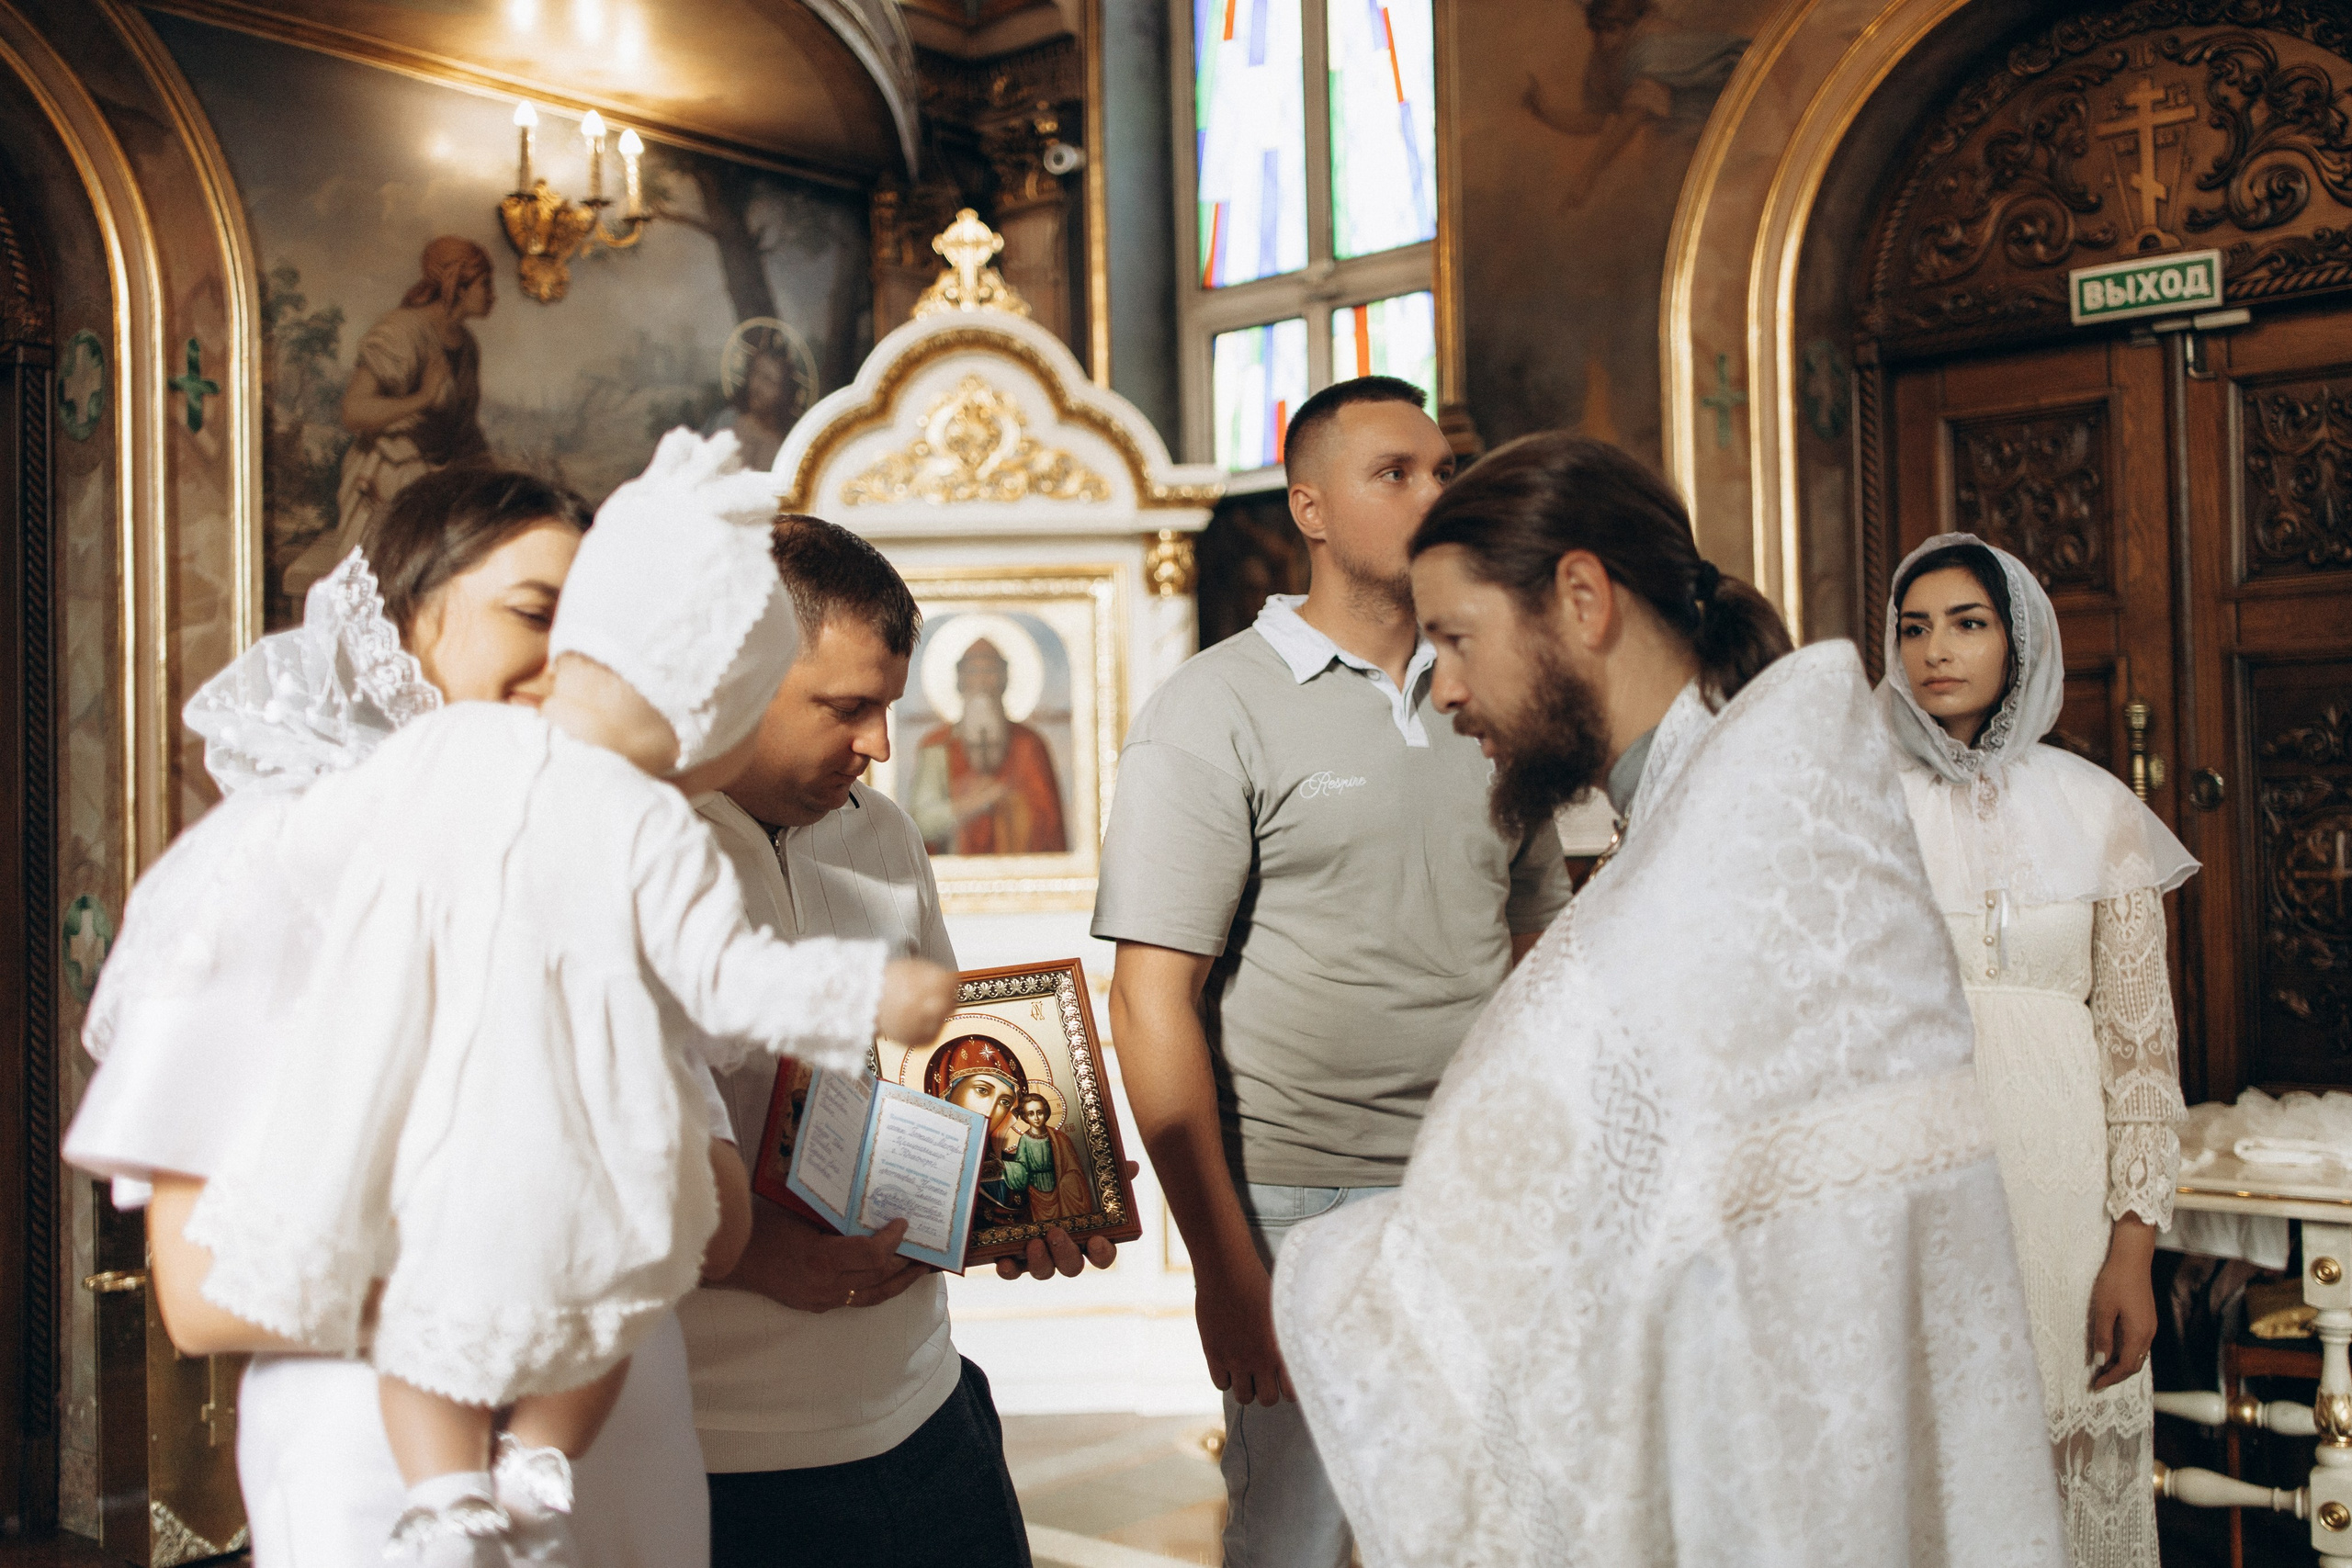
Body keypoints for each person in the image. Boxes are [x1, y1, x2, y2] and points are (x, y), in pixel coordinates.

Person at [1269, 433, 2068, 1566]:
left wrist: (1341, 1267)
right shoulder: (1760, 811)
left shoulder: (1723, 873)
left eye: (1455, 638)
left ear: (1581, 599)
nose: (1440, 687)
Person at [178, 432, 956, 1565]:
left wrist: (867, 1004)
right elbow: (301, 869)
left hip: (822, 1393)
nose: (876, 747)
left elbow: (723, 986)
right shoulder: (410, 793)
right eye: (532, 615)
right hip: (611, 1362)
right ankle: (448, 1496)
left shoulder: (650, 834)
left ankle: (530, 1473)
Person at [66, 468, 749, 1567]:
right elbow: (198, 1292)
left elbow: (720, 1225)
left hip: (620, 1453)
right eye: (535, 613)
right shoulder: (270, 863)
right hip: (381, 1467)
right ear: (405, 617)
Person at [1091, 377, 1573, 1568]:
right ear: (1310, 506)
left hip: (1481, 1188)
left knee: (1488, 1526)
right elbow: (1153, 998)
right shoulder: (1215, 709)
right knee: (1299, 1540)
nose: (1436, 493)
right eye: (1395, 472)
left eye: (1443, 469)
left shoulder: (1492, 691)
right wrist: (1220, 1266)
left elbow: (1541, 954)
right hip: (1301, 1207)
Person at [682, 517, 1115, 1568]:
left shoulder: (882, 832)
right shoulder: (638, 850)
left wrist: (1024, 1194)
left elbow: (939, 1071)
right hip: (727, 1440)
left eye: (888, 705)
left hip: (925, 1398)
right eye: (846, 707)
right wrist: (754, 1259)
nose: (881, 743)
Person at [1883, 534, 2195, 1567]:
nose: (1937, 649)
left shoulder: (2099, 812)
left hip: (2063, 1205)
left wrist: (2133, 1247)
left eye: (1967, 624)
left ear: (2019, 644)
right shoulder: (1858, 808)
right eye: (1914, 626)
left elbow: (2141, 1054)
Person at [286, 237, 498, 599]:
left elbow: (462, 429)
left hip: (436, 485)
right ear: (457, 285)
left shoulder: (466, 345)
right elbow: (354, 412)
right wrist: (422, 398)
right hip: (385, 482)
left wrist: (493, 480)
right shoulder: (401, 332)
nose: (493, 294)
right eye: (485, 283)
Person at [910, 636, 1068, 855]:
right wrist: (968, 805)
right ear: (960, 680)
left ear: (1004, 679)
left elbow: (1050, 823)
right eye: (973, 672)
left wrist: (1007, 799)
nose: (982, 681)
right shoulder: (936, 746)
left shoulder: (1030, 744)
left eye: (990, 671)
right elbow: (919, 824)